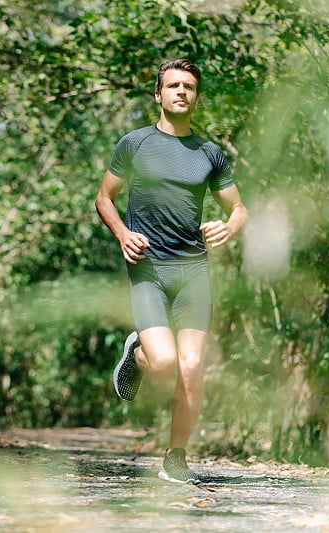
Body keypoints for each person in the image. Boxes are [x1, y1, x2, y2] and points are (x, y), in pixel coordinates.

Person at [95, 59, 247, 484]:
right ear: (158, 95)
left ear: (196, 97)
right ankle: (138, 354)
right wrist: (123, 233)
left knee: (192, 364)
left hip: (193, 271)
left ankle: (175, 456)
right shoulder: (135, 144)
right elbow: (104, 198)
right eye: (174, 85)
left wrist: (230, 225)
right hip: (149, 269)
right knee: (163, 364)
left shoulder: (209, 154)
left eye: (190, 87)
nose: (182, 91)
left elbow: (238, 207)